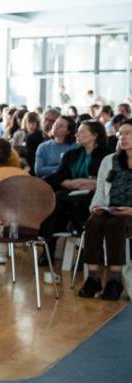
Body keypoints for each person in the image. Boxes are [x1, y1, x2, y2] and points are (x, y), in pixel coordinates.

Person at [78, 122, 132, 301]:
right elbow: (101, 190)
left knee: (115, 224)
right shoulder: (110, 160)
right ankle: (93, 277)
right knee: (93, 221)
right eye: (121, 134)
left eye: (128, 134)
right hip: (111, 208)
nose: (122, 137)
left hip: (129, 213)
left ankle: (115, 279)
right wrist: (96, 206)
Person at [42, 119, 111, 259]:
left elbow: (103, 181)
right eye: (77, 132)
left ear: (94, 135)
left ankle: (83, 245)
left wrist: (84, 182)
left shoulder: (107, 155)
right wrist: (80, 182)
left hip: (96, 194)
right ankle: (49, 247)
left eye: (81, 132)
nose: (76, 135)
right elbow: (60, 178)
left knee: (78, 201)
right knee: (55, 202)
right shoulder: (71, 154)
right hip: (70, 191)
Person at [35, 115, 76, 179]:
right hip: (48, 181)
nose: (55, 127)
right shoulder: (43, 147)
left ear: (68, 131)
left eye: (61, 126)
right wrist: (62, 167)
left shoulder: (75, 147)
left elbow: (74, 168)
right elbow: (38, 171)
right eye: (55, 123)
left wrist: (53, 169)